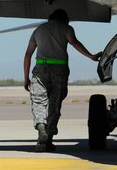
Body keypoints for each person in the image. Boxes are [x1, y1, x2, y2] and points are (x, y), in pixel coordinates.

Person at [23, 9, 100, 152]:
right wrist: (91, 56)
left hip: (40, 68)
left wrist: (26, 77)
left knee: (39, 101)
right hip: (60, 69)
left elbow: (28, 55)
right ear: (66, 19)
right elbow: (75, 43)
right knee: (55, 104)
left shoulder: (39, 30)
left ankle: (41, 127)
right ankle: (49, 139)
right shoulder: (67, 28)